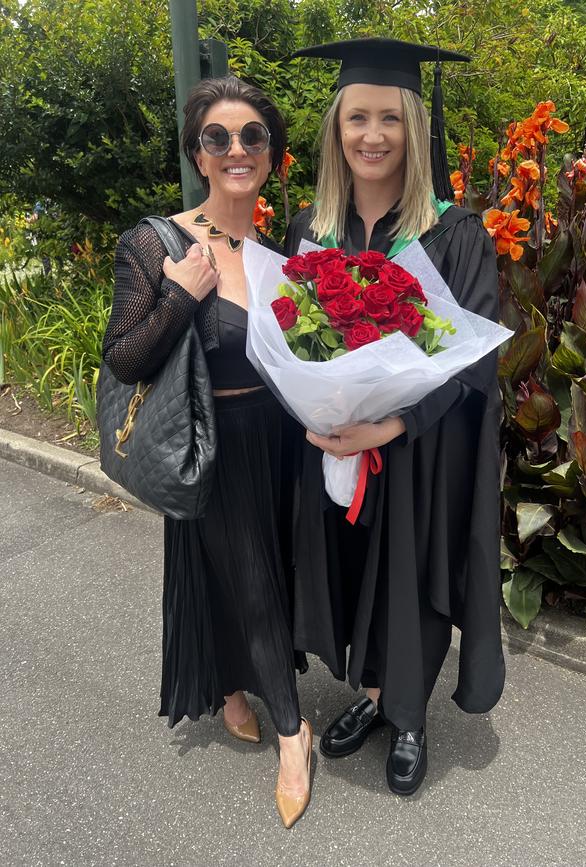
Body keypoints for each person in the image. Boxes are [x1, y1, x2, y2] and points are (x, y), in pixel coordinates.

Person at [284, 38, 505, 797]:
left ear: (414, 125)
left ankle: (408, 716)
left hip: (421, 449)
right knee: (353, 573)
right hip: (339, 445)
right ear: (336, 130)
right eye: (356, 118)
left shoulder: (454, 233)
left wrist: (395, 424)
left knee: (409, 578)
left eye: (389, 118)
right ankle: (374, 699)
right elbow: (291, 334)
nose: (371, 135)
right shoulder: (313, 230)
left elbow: (473, 358)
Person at [102, 76, 312, 829]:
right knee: (247, 578)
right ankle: (294, 731)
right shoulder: (157, 241)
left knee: (264, 571)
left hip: (280, 442)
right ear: (197, 152)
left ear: (272, 155)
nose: (235, 150)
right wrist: (184, 296)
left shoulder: (281, 250)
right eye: (218, 137)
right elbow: (124, 357)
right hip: (209, 444)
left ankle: (233, 683)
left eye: (252, 136)